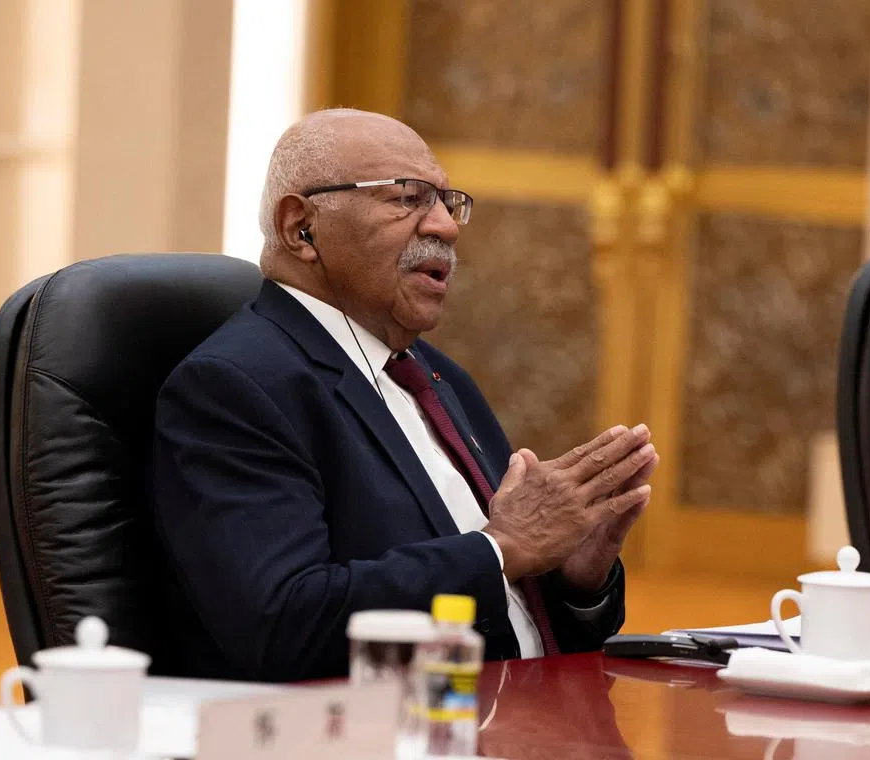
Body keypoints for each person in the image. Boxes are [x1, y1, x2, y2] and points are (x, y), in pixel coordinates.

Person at [152, 108, 659, 682]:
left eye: (448, 202)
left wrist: (571, 580)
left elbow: (505, 612)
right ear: (301, 228)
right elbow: (282, 623)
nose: (445, 226)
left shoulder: (439, 378)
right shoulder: (237, 388)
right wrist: (503, 549)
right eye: (407, 199)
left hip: (528, 720)